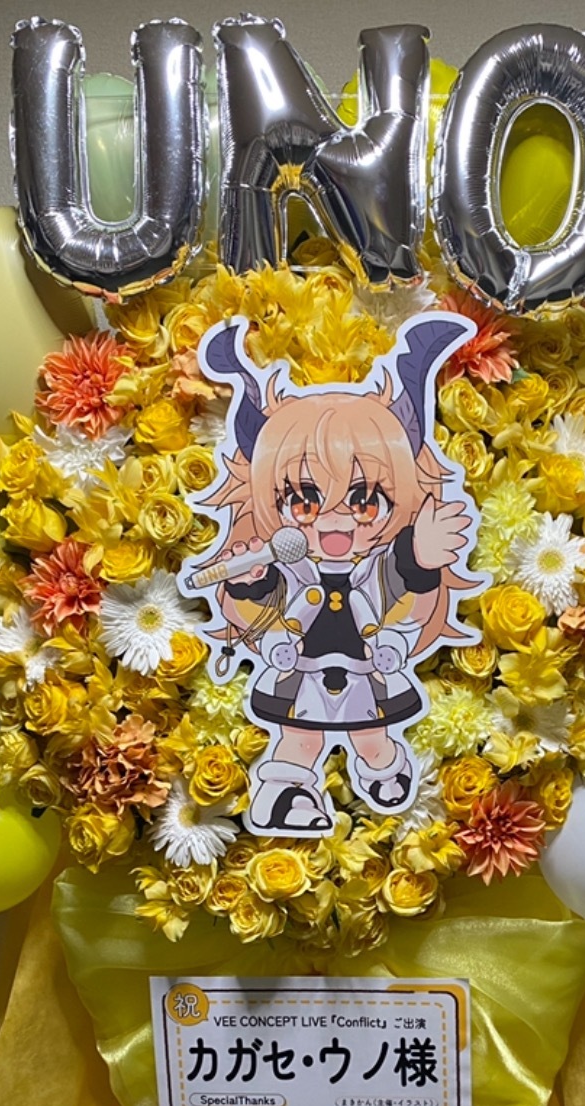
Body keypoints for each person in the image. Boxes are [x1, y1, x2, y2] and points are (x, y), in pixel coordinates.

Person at [184, 314, 482, 834]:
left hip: (367, 667)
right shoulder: (288, 562)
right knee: (300, 738)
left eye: (365, 501)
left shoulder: (375, 565)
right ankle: (285, 797)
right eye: (304, 501)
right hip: (301, 668)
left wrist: (418, 556)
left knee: (373, 734)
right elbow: (267, 603)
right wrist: (252, 578)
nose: (336, 520)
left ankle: (384, 771)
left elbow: (395, 586)